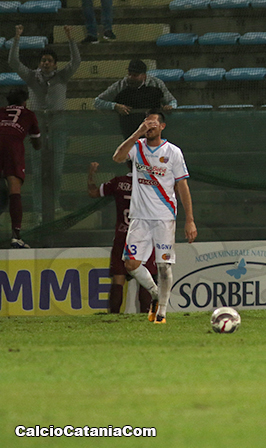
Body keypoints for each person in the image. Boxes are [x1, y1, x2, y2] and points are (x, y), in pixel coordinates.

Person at [112, 109, 196, 324]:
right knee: (130, 264)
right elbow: (117, 157)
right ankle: (156, 293)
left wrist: (189, 219)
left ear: (162, 127)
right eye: (146, 124)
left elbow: (182, 185)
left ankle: (162, 313)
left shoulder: (173, 152)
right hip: (139, 217)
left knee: (164, 266)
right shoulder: (137, 147)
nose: (149, 127)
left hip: (163, 217)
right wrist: (136, 133)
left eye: (153, 124)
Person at [8, 24, 80, 217]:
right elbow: (13, 62)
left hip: (58, 129)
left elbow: (76, 62)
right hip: (36, 131)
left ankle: (55, 203)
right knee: (38, 172)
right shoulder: (32, 77)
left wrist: (70, 39)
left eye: (49, 61)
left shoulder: (62, 76)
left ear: (55, 64)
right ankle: (39, 209)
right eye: (43, 60)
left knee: (56, 171)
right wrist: (17, 38)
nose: (46, 63)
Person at [88, 161, 157, 314]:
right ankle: (145, 316)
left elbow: (93, 192)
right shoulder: (151, 184)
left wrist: (91, 175)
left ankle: (114, 317)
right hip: (143, 237)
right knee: (146, 278)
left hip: (123, 235)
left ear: (128, 164)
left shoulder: (118, 182)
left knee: (118, 279)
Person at [0, 88, 42, 248]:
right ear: (25, 102)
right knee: (14, 190)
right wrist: (35, 142)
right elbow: (37, 144)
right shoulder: (28, 114)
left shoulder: (1, 111)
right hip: (13, 147)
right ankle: (16, 237)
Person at [95, 60, 177, 138]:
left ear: (144, 75)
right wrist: (115, 106)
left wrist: (170, 107)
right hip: (129, 130)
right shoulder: (120, 86)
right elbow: (97, 102)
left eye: (135, 75)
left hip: (153, 129)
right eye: (129, 74)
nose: (131, 77)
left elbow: (172, 101)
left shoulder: (156, 84)